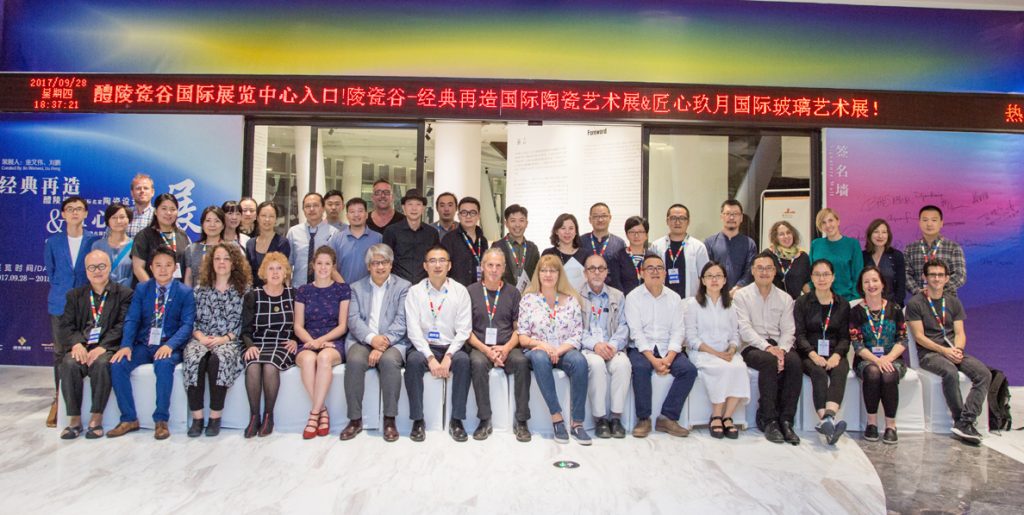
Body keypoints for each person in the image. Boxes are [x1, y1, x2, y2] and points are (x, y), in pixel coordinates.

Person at [108, 248, 196, 440]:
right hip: (144, 344)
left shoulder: (185, 292)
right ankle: (129, 418)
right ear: (151, 267)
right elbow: (132, 319)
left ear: (175, 268)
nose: (163, 270)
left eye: (168, 265)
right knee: (117, 364)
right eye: (158, 265)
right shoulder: (142, 289)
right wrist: (126, 345)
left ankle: (161, 420)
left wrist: (170, 345)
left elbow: (187, 325)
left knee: (163, 365)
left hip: (169, 345)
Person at [906, 258, 989, 445]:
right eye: (932, 275)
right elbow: (919, 337)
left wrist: (957, 349)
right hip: (929, 354)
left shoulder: (953, 302)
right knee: (950, 372)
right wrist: (944, 351)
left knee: (984, 373)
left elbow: (960, 333)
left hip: (953, 350)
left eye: (940, 275)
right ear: (924, 277)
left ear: (947, 278)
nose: (936, 279)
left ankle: (966, 421)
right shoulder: (915, 303)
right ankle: (959, 420)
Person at [57, 250, 133, 439]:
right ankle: (74, 420)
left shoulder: (124, 294)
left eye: (101, 266)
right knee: (69, 363)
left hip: (108, 346)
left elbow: (123, 324)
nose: (97, 271)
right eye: (92, 267)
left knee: (102, 364)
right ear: (86, 271)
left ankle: (96, 418)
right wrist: (76, 344)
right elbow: (66, 325)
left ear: (109, 267)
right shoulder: (74, 295)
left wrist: (103, 347)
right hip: (82, 346)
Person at [517, 254, 591, 445]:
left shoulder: (572, 300)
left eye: (552, 270)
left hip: (563, 351)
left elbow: (577, 335)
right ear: (538, 273)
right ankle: (557, 418)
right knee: (540, 357)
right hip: (538, 351)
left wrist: (558, 351)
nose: (548, 274)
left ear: (560, 274)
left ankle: (577, 423)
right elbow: (523, 337)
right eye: (544, 270)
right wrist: (543, 346)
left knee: (580, 361)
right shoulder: (528, 300)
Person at [341, 243, 411, 442]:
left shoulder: (404, 287)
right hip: (363, 339)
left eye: (384, 262)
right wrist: (373, 340)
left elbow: (402, 320)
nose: (380, 267)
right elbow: (353, 320)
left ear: (391, 264)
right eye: (375, 263)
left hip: (393, 340)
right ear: (368, 266)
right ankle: (355, 420)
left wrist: (383, 344)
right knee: (355, 361)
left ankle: (389, 419)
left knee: (389, 362)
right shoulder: (356, 287)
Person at [404, 246, 472, 442]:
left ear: (449, 265)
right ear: (425, 266)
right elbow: (413, 330)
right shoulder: (415, 292)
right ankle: (418, 420)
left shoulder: (460, 291)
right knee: (413, 362)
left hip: (452, 346)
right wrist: (430, 358)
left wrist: (449, 356)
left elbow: (464, 329)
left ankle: (456, 420)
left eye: (442, 260)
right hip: (424, 347)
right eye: (432, 261)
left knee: (464, 362)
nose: (437, 265)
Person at [625, 254, 697, 438]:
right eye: (650, 268)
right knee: (640, 368)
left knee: (689, 370)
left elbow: (678, 331)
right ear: (642, 273)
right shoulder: (633, 297)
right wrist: (653, 360)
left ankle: (668, 417)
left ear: (665, 273)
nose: (655, 272)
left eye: (659, 268)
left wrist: (669, 358)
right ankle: (644, 419)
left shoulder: (674, 298)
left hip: (667, 348)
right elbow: (636, 333)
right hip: (642, 349)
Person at [182, 243, 250, 438]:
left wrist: (223, 339)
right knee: (194, 358)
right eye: (217, 258)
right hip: (201, 338)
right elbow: (191, 320)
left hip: (229, 340)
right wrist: (201, 337)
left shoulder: (244, 291)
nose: (222, 262)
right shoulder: (200, 290)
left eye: (226, 259)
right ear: (211, 262)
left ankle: (214, 417)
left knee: (219, 360)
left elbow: (244, 323)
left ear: (234, 263)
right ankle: (197, 419)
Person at [734, 250, 801, 445]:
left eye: (769, 268)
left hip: (779, 344)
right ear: (753, 271)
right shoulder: (741, 296)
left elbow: (789, 330)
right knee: (768, 361)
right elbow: (745, 329)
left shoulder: (785, 298)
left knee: (795, 363)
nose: (764, 272)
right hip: (752, 346)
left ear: (774, 271)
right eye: (760, 268)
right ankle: (768, 418)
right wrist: (767, 348)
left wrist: (782, 350)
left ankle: (786, 420)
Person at [465, 248, 530, 441]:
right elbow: (466, 331)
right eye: (490, 265)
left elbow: (519, 329)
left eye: (498, 266)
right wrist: (487, 351)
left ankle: (521, 420)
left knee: (522, 363)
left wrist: (506, 348)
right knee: (477, 364)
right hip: (480, 346)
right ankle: (484, 420)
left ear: (504, 269)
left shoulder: (513, 293)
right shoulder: (470, 292)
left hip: (507, 346)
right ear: (482, 267)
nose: (494, 269)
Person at [44, 196, 99, 427]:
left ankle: (86, 399)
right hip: (60, 303)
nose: (75, 213)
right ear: (63, 214)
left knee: (87, 350)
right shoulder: (53, 242)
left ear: (86, 213)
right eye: (70, 209)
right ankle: (59, 399)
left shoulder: (93, 241)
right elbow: (51, 272)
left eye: (79, 209)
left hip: (87, 304)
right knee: (60, 352)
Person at [685, 261, 748, 440]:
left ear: (724, 280)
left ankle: (727, 416)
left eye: (718, 276)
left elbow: (735, 334)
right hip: (702, 353)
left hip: (727, 352)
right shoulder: (693, 304)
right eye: (710, 276)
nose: (714, 280)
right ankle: (716, 416)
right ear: (702, 280)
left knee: (739, 368)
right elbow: (691, 338)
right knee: (721, 368)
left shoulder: (730, 305)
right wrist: (716, 353)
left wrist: (732, 349)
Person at [294, 247, 351, 439]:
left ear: (334, 266)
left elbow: (342, 326)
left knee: (324, 358)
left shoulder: (342, 289)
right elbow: (298, 326)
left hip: (333, 341)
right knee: (308, 360)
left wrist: (322, 341)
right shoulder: (303, 290)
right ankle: (322, 410)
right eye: (319, 263)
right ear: (313, 265)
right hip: (307, 340)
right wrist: (312, 342)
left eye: (327, 264)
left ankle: (313, 415)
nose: (323, 267)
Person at [794, 259, 852, 446]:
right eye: (817, 275)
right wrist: (813, 355)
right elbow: (799, 335)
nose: (821, 279)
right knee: (818, 372)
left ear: (833, 277)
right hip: (808, 352)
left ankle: (828, 420)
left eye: (826, 274)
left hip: (835, 352)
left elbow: (845, 337)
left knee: (840, 370)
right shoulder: (802, 303)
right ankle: (827, 420)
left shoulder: (842, 304)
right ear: (811, 278)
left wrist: (837, 355)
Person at [241, 251, 297, 438]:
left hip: (282, 345)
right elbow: (245, 330)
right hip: (257, 343)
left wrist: (295, 340)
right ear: (264, 272)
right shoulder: (253, 296)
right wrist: (250, 346)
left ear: (285, 272)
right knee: (253, 366)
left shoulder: (293, 295)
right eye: (270, 269)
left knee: (270, 366)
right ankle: (254, 416)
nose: (275, 273)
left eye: (279, 268)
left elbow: (300, 324)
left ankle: (268, 416)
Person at [850, 266, 907, 444]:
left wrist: (887, 359)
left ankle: (891, 426)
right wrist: (876, 360)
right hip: (866, 359)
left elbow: (902, 339)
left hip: (893, 358)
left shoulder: (895, 309)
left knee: (889, 375)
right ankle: (872, 423)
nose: (871, 285)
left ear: (882, 283)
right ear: (861, 286)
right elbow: (857, 344)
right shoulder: (855, 311)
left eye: (875, 280)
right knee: (873, 373)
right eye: (866, 282)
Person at [579, 254, 630, 439]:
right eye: (592, 268)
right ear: (585, 273)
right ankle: (600, 419)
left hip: (612, 346)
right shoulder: (576, 296)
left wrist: (613, 346)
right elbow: (575, 329)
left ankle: (616, 418)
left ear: (607, 272)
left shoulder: (618, 295)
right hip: (589, 348)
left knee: (623, 365)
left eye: (601, 268)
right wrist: (595, 345)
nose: (597, 272)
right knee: (597, 364)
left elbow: (624, 326)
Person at [905, 205, 966, 297]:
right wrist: (918, 291)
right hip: (919, 300)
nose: (929, 224)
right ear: (919, 223)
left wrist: (937, 289)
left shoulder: (953, 248)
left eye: (934, 220)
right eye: (925, 220)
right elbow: (905, 275)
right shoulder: (910, 249)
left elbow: (960, 276)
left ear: (941, 223)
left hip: (946, 299)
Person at [651, 204, 709, 299]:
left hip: (689, 301)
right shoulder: (656, 246)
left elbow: (705, 277)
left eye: (682, 218)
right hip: (662, 301)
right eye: (673, 218)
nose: (677, 222)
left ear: (688, 222)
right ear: (667, 221)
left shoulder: (698, 247)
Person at [131, 193, 190, 286]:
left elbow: (187, 268)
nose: (168, 213)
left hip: (177, 291)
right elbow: (138, 269)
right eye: (164, 208)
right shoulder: (144, 236)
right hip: (151, 291)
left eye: (173, 209)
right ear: (155, 211)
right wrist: (156, 290)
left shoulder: (182, 235)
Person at [383, 188, 439, 284]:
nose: (414, 208)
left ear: (423, 208)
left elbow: (435, 260)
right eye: (410, 204)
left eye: (418, 204)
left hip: (425, 285)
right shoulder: (391, 231)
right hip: (397, 285)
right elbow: (386, 260)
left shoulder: (432, 233)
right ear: (403, 208)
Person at [809, 208, 863, 301]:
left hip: (846, 299)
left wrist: (854, 298)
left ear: (838, 221)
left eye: (830, 220)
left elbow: (858, 274)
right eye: (823, 222)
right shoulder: (816, 244)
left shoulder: (852, 244)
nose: (828, 225)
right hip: (820, 299)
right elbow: (810, 272)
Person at [287, 192, 338, 287]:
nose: (311, 209)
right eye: (307, 206)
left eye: (315, 205)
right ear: (303, 210)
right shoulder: (293, 232)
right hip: (298, 288)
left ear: (323, 208)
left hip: (324, 289)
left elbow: (335, 266)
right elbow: (288, 264)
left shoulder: (334, 233)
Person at [704, 200, 756, 294]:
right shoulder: (709, 242)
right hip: (715, 294)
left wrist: (738, 287)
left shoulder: (749, 244)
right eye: (727, 214)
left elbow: (750, 270)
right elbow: (707, 270)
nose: (731, 217)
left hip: (741, 294)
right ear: (721, 217)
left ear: (741, 218)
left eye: (735, 214)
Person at [328, 197, 382, 286]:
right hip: (342, 290)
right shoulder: (336, 239)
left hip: (371, 290)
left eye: (360, 211)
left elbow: (382, 267)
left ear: (366, 215)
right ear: (347, 216)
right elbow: (331, 267)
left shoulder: (378, 238)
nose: (356, 215)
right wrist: (344, 288)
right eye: (352, 212)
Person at [441, 196, 489, 287]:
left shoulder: (483, 240)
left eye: (472, 213)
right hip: (456, 291)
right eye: (464, 213)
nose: (468, 216)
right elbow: (443, 268)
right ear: (458, 216)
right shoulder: (449, 239)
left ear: (478, 216)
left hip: (479, 289)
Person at [493, 204, 540, 292]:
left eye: (521, 220)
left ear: (526, 223)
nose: (517, 225)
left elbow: (538, 274)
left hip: (528, 295)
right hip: (503, 294)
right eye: (513, 221)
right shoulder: (497, 246)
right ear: (506, 224)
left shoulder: (533, 248)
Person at [246, 201, 291, 289]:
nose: (267, 219)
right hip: (254, 292)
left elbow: (283, 272)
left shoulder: (282, 243)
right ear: (257, 218)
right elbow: (248, 272)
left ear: (276, 219)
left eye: (271, 216)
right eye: (263, 216)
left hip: (275, 291)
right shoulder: (250, 244)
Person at [541, 213, 589, 294]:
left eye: (571, 228)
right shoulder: (548, 253)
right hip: (554, 296)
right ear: (556, 231)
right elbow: (542, 278)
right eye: (563, 228)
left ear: (576, 231)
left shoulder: (585, 254)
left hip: (580, 297)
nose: (567, 232)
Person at [863, 219, 906, 306]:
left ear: (888, 235)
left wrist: (894, 307)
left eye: (884, 232)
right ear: (870, 234)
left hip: (892, 305)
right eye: (876, 232)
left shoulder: (896, 255)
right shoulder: (862, 256)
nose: (880, 236)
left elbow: (901, 286)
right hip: (868, 305)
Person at [91, 203, 135, 288]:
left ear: (129, 219)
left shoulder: (135, 245)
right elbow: (93, 271)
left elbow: (135, 273)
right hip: (102, 291)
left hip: (127, 293)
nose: (118, 221)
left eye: (122, 217)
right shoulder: (97, 245)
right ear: (108, 221)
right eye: (113, 217)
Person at [767, 220, 810, 300]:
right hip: (772, 302)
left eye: (788, 233)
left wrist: (813, 300)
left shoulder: (803, 257)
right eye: (781, 234)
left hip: (794, 303)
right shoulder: (768, 255)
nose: (786, 236)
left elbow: (805, 283)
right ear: (775, 237)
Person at [183, 206, 225, 287]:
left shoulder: (231, 248)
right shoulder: (191, 249)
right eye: (208, 220)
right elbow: (188, 278)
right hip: (196, 294)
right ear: (202, 224)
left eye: (217, 221)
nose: (212, 225)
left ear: (223, 225)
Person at [607, 215, 648, 295]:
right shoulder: (617, 257)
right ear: (626, 235)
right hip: (624, 300)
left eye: (640, 232)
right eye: (632, 232)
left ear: (646, 235)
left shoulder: (652, 257)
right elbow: (616, 284)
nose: (636, 235)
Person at [125, 173, 155, 238]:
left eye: (146, 188)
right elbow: (108, 240)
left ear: (152, 192)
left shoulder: (160, 215)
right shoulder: (124, 214)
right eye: (138, 188)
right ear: (132, 193)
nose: (142, 191)